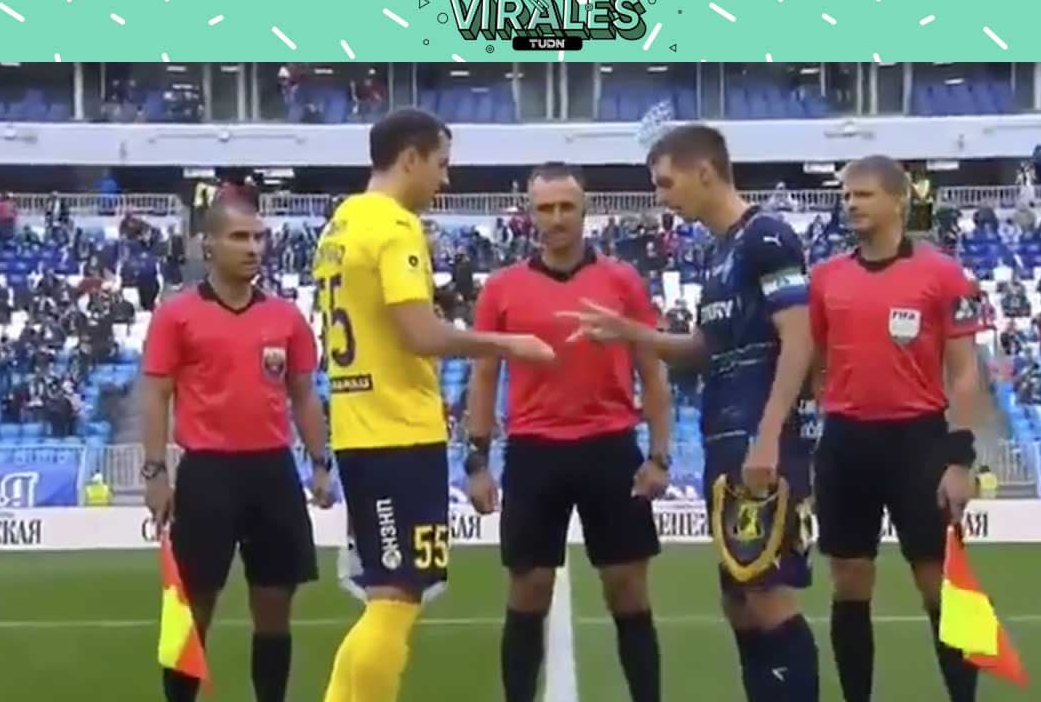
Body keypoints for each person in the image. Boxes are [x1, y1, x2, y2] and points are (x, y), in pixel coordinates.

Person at [563, 125, 820, 702]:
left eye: (666, 182)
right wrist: (629, 332)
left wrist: (769, 437)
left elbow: (799, 339)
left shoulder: (767, 237)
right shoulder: (719, 252)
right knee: (739, 599)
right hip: (724, 434)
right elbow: (702, 348)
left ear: (704, 171)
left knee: (766, 592)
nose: (662, 196)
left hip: (760, 438)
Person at [315, 108, 554, 702]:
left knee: (384, 598)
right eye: (441, 164)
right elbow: (420, 334)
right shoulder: (394, 227)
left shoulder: (342, 223)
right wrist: (507, 344)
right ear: (410, 158)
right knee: (396, 600)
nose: (445, 179)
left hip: (360, 429)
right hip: (397, 435)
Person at [465, 163, 672, 702]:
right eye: (545, 208)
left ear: (585, 210)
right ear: (529, 214)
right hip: (534, 452)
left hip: (611, 448)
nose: (556, 218)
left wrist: (660, 455)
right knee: (528, 591)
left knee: (628, 591)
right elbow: (484, 376)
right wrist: (477, 461)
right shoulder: (502, 288)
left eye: (566, 207)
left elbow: (652, 371)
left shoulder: (622, 281)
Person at [141, 202, 335, 702]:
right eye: (240, 237)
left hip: (272, 472)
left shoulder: (285, 316)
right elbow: (156, 393)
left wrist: (320, 462)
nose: (253, 248)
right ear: (209, 244)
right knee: (193, 610)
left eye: (258, 237)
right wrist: (155, 472)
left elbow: (303, 394)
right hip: (208, 474)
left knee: (274, 606)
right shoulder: (177, 314)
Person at [807, 155, 982, 702]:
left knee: (941, 585)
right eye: (847, 195)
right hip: (846, 442)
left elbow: (964, 371)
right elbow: (816, 361)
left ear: (899, 200)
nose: (851, 204)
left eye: (863, 194)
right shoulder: (826, 277)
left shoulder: (943, 274)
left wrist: (959, 458)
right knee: (849, 581)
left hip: (918, 443)